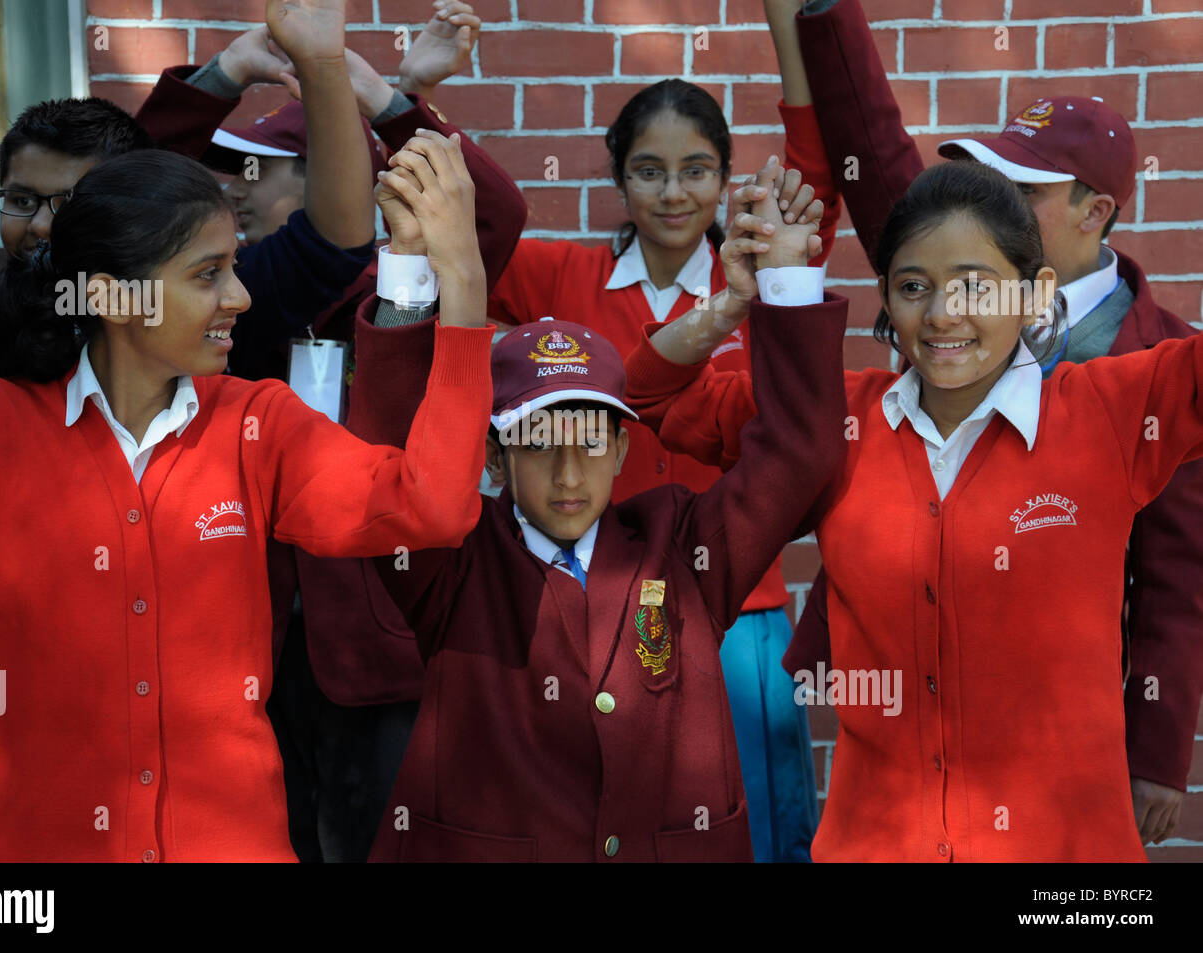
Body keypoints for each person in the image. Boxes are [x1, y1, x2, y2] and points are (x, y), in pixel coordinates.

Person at [0, 116, 495, 859]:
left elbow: (430, 506)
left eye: (235, 267)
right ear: (115, 299)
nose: (241, 297)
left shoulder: (260, 422)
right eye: (207, 274)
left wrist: (458, 281)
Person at [627, 158, 1203, 862]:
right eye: (912, 288)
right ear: (887, 302)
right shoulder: (833, 422)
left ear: (1036, 293)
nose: (942, 314)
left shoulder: (1110, 411)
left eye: (975, 285)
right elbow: (648, 395)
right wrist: (738, 301)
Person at [347, 145, 845, 861]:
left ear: (619, 449)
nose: (569, 469)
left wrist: (787, 280)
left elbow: (800, 454)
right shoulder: (453, 563)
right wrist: (408, 264)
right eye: (540, 439)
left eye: (590, 438)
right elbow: (387, 463)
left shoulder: (683, 547)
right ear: (494, 457)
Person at [783, 0, 1203, 845]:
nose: (992, 201)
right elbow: (881, 161)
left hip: (1054, 737)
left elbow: (1179, 577)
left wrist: (1155, 749)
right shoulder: (947, 284)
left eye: (1025, 189)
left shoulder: (1156, 360)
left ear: (1095, 212)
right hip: (902, 712)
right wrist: (821, 14)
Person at [135, 2, 528, 862]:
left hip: (380, 629)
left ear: (327, 174)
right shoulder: (236, 300)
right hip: (255, 637)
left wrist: (391, 95)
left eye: (259, 170)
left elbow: (494, 211)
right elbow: (130, 200)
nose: (235, 187)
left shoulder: (401, 275)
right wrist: (224, 76)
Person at [486, 59, 840, 862]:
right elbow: (461, 235)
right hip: (585, 606)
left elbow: (819, 151)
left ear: (723, 179)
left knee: (749, 831)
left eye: (696, 171)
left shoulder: (761, 280)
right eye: (648, 171)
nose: (673, 193)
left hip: (736, 605)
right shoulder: (559, 275)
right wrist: (412, 95)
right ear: (618, 179)